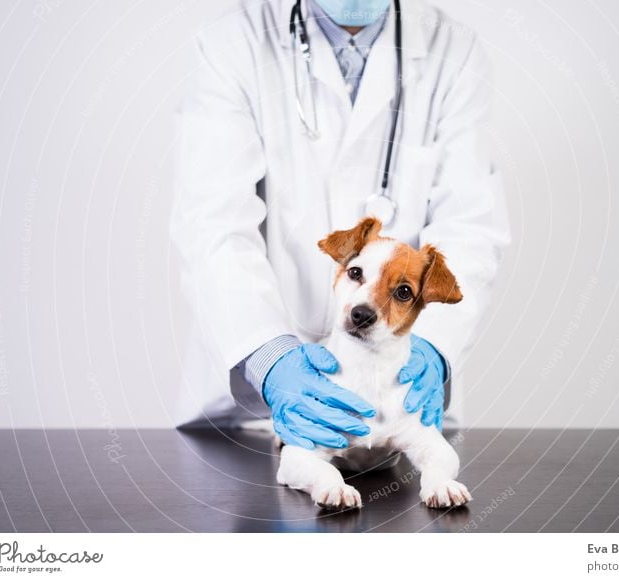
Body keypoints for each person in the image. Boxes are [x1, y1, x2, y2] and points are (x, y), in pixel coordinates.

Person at [170, 0, 510, 445]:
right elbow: (212, 224)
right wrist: (270, 360)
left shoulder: (453, 50)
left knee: (415, 503)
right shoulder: (233, 42)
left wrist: (432, 349)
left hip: (397, 408)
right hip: (248, 420)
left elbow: (470, 226)